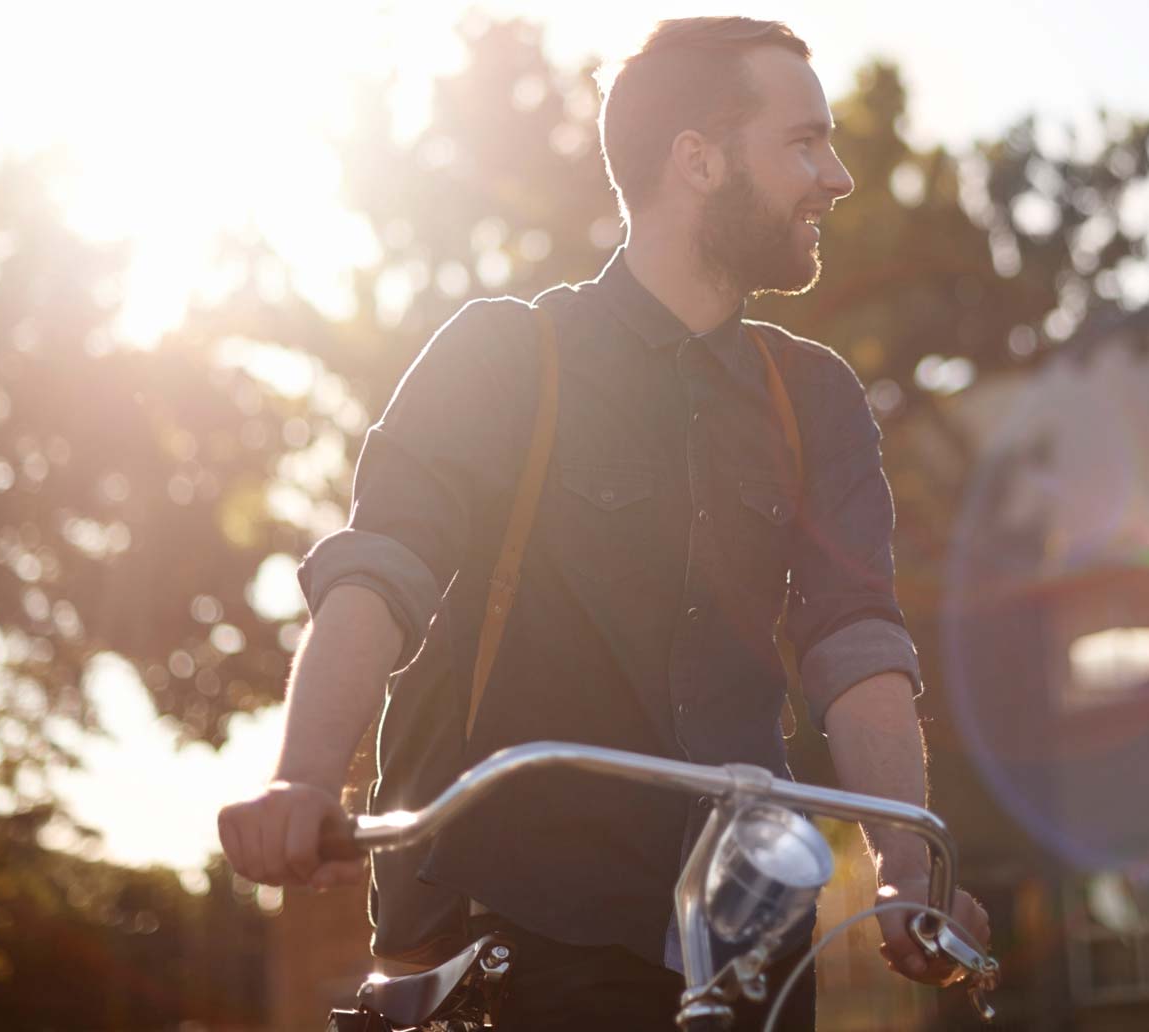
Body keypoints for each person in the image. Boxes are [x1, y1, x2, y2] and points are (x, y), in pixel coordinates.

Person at [217, 16, 989, 1030]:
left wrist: (902, 860)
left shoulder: (816, 398)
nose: (834, 177)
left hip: (748, 934)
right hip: (523, 920)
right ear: (698, 162)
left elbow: (855, 637)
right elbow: (379, 571)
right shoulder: (507, 355)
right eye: (804, 143)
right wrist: (302, 780)